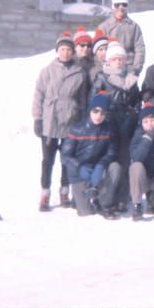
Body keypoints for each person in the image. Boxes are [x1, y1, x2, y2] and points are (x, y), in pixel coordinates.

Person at [32, 31, 89, 211]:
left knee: (66, 159)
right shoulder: (47, 71)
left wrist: (81, 123)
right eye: (62, 49)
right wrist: (37, 118)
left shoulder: (79, 73)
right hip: (50, 121)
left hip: (70, 121)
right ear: (57, 51)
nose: (65, 53)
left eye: (69, 50)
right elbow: (38, 95)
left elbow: (82, 101)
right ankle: (45, 194)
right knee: (47, 160)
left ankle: (65, 192)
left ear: (73, 51)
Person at [89, 38, 141, 212]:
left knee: (125, 161)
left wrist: (134, 113)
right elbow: (94, 101)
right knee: (110, 163)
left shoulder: (131, 79)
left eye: (121, 59)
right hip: (109, 125)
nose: (118, 62)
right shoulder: (102, 78)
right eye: (115, 59)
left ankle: (122, 198)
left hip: (127, 126)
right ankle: (106, 198)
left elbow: (137, 100)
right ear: (109, 61)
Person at [60, 91, 121, 219]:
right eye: (95, 111)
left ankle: (104, 203)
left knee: (115, 167)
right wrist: (79, 167)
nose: (98, 115)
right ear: (90, 110)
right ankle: (79, 195)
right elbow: (65, 156)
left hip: (97, 169)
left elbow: (112, 151)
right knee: (85, 212)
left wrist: (101, 165)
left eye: (103, 112)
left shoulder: (109, 129)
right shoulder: (77, 129)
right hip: (80, 172)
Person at [97, 0, 146, 76]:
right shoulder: (104, 27)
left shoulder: (134, 26)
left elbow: (140, 49)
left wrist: (136, 69)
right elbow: (99, 50)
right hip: (109, 70)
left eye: (124, 4)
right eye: (117, 5)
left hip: (129, 70)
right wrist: (104, 67)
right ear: (113, 6)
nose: (121, 7)